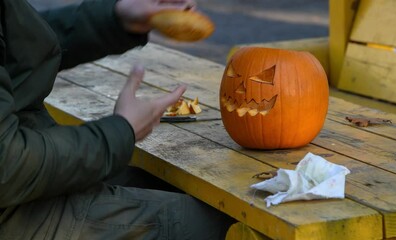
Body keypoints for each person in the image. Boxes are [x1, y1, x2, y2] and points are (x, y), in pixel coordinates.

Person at [0, 0, 234, 239]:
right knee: (217, 224)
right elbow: (7, 166)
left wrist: (114, 19)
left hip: (27, 165)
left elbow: (15, 49)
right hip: (15, 209)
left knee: (164, 183)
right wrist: (120, 131)